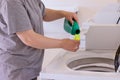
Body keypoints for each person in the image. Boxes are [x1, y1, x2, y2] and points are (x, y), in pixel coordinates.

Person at [0, 0, 80, 80]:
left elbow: (43, 13)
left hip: (30, 67)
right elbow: (29, 38)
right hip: (16, 70)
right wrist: (62, 43)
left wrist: (63, 13)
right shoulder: (11, 2)